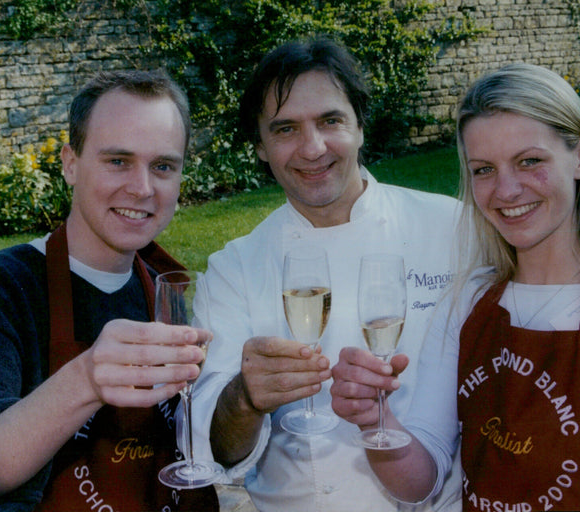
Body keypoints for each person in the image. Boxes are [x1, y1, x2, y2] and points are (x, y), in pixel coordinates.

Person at [330, 62, 580, 511]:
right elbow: (421, 483)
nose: (506, 190)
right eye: (484, 170)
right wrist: (376, 421)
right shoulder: (467, 303)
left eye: (529, 161)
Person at [0, 70, 220, 511]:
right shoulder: (0, 288)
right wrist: (85, 379)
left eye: (163, 166)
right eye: (117, 160)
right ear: (69, 163)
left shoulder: (162, 285)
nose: (142, 188)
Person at [191, 37, 465, 511]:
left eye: (330, 120)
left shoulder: (453, 229)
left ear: (360, 125)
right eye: (285, 129)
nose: (312, 148)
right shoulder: (234, 268)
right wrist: (244, 398)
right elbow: (217, 451)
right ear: (259, 146)